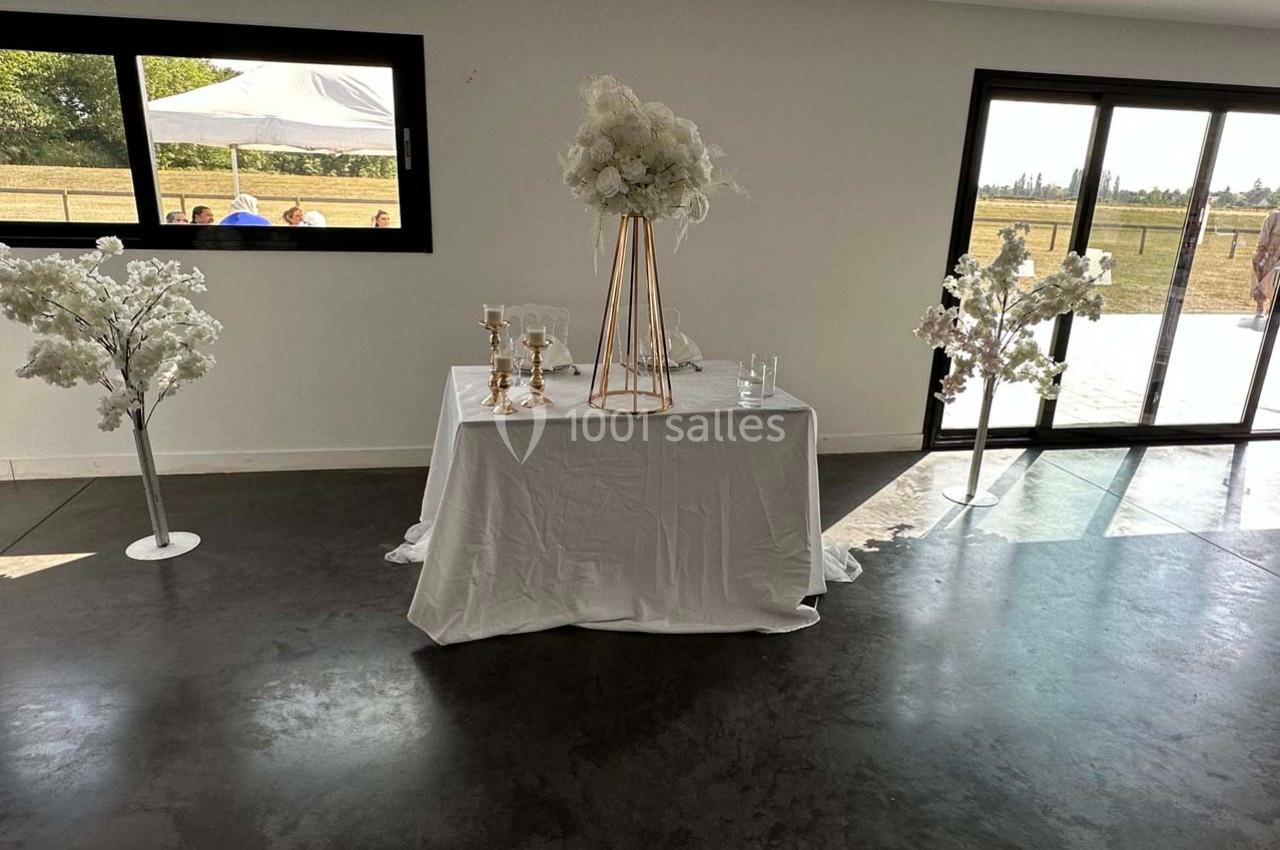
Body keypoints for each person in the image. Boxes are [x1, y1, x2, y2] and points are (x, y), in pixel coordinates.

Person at [1251, 209, 1280, 325]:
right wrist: (1261, 250)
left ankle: (1273, 310)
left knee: (1276, 284)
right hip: (1269, 255)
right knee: (1262, 281)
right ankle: (1260, 307)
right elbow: (1264, 233)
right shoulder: (1274, 217)